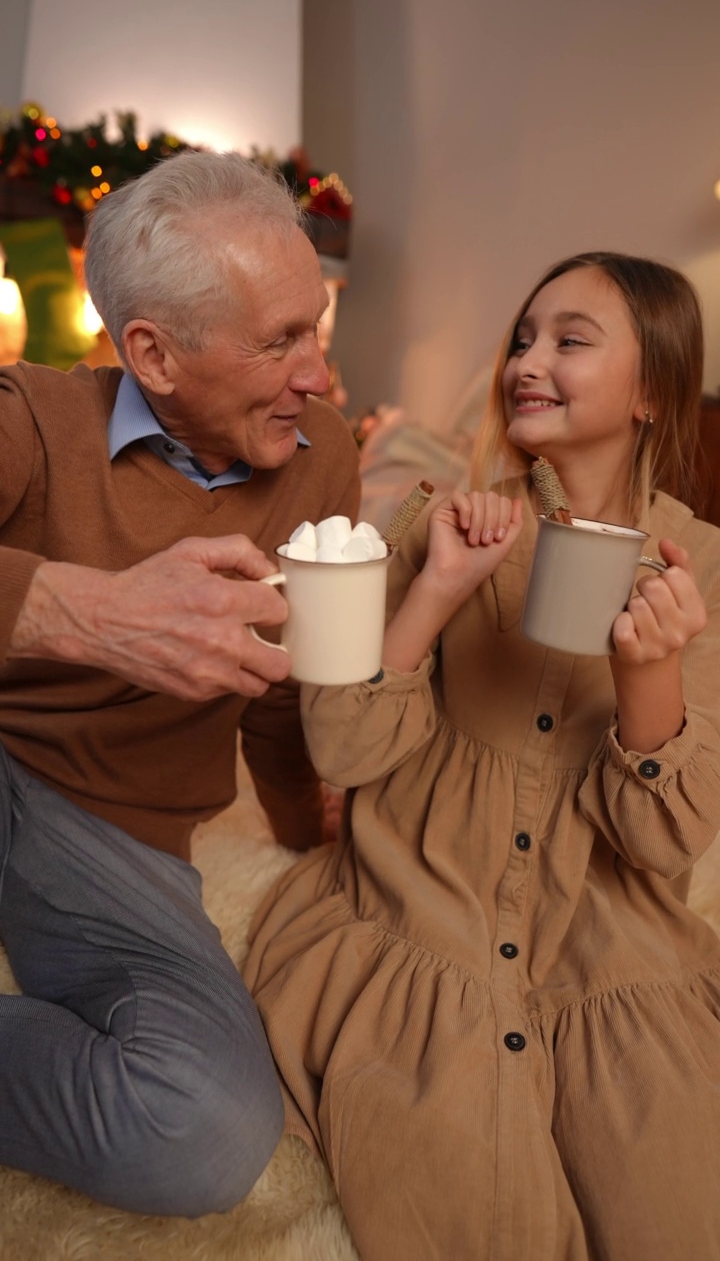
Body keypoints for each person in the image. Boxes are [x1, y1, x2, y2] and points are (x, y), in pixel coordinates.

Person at [245, 252, 720, 1260]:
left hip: (611, 944)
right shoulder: (437, 519)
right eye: (522, 337)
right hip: (427, 915)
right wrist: (438, 589)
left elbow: (663, 836)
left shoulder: (703, 571)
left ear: (651, 390)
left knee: (677, 1211)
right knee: (465, 1211)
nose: (526, 361)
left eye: (570, 340)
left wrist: (652, 671)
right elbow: (344, 746)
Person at [0, 151, 360, 1215]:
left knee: (201, 1126)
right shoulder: (30, 416)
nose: (320, 376)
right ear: (153, 352)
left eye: (319, 330)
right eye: (280, 340)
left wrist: (304, 828)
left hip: (108, 824)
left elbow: (288, 676)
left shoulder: (318, 451)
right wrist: (85, 611)